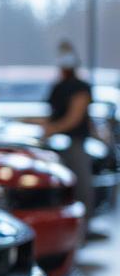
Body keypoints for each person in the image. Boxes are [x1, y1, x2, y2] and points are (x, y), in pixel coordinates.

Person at [42, 46, 95, 238]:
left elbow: (75, 117)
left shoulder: (80, 87)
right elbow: (52, 116)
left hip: (75, 142)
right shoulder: (57, 87)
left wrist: (52, 129)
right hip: (56, 145)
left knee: (81, 188)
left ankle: (81, 232)